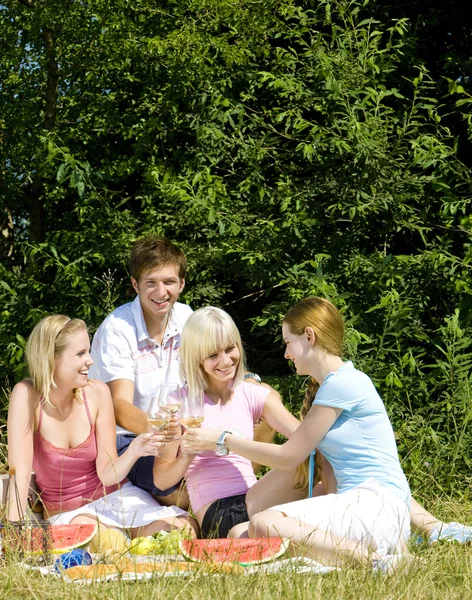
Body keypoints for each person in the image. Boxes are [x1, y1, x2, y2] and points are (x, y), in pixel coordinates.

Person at [182, 298, 412, 569]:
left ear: (309, 336)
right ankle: (381, 554)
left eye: (288, 342)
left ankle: (375, 561)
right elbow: (329, 468)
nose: (286, 354)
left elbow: (289, 457)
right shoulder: (338, 383)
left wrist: (222, 439)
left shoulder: (340, 385)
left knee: (263, 523)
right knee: (238, 534)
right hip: (364, 505)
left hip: (375, 506)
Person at [89, 235, 276, 510]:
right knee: (186, 498)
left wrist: (250, 383)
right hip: (135, 437)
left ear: (182, 284)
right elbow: (119, 407)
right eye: (151, 282)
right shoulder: (117, 329)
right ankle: (202, 499)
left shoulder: (188, 317)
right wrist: (167, 435)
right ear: (135, 284)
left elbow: (221, 364)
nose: (161, 292)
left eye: (169, 282)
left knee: (266, 398)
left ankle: (236, 483)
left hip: (189, 425)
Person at [7, 315, 193, 540]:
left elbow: (107, 474)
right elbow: (20, 475)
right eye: (80, 354)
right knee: (104, 539)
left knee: (183, 528)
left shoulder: (97, 392)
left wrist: (134, 450)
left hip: (115, 498)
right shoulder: (26, 396)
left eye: (88, 351)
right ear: (51, 359)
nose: (90, 361)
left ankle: (130, 541)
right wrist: (12, 534)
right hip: (69, 513)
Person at [152, 306, 313, 538]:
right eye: (213, 355)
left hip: (256, 499)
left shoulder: (250, 393)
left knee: (310, 459)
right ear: (196, 358)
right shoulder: (179, 403)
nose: (226, 361)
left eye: (230, 349)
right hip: (218, 512)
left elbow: (306, 438)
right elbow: (161, 480)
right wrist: (187, 455)